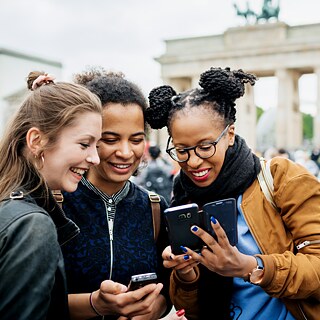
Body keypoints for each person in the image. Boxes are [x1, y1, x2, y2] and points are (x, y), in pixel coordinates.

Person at [145, 67, 320, 320]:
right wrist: (186, 275)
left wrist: (251, 266)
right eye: (182, 150)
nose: (193, 162)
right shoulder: (184, 197)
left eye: (205, 147)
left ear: (229, 134)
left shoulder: (282, 178)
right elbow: (190, 310)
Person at [60, 67, 172, 319]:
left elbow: (169, 288)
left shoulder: (155, 207)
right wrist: (94, 304)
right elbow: (30, 297)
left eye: (135, 139)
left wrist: (156, 308)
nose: (125, 152)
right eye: (110, 139)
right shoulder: (54, 204)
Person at [0, 71, 102, 319]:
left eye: (97, 145)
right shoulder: (32, 225)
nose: (95, 158)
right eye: (84, 144)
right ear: (37, 140)